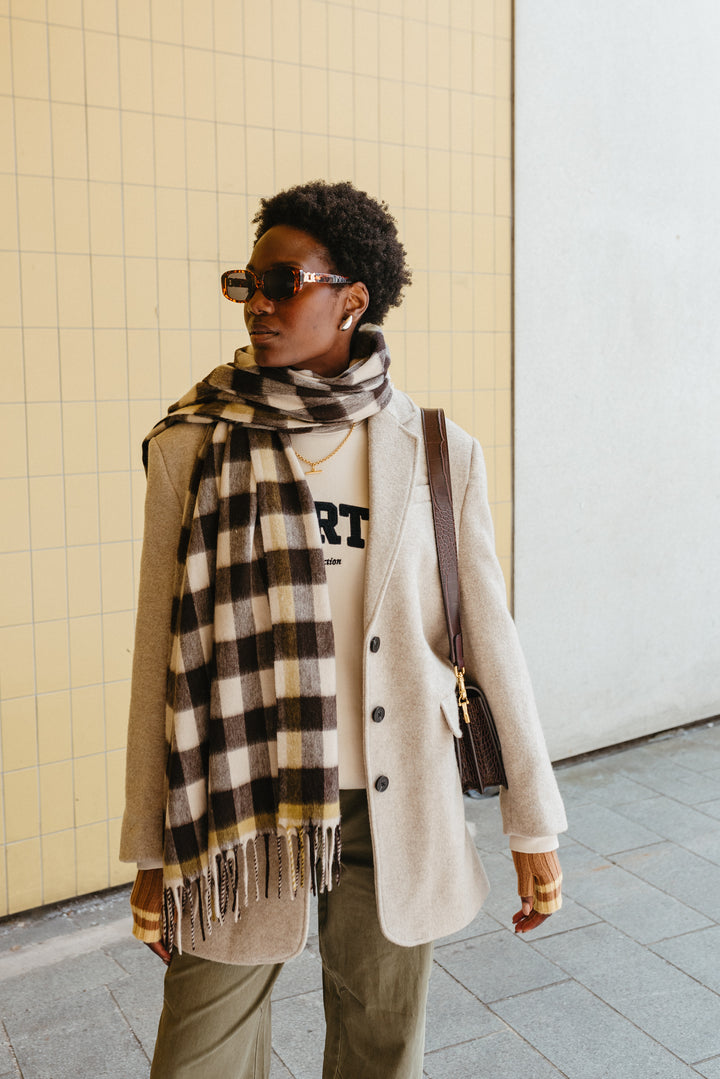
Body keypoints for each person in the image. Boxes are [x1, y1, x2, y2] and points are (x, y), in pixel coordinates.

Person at [120, 180, 567, 1079]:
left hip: (394, 802)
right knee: (197, 1054)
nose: (259, 305)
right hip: (241, 807)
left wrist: (534, 825)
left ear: (351, 299)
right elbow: (155, 664)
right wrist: (146, 848)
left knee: (380, 1048)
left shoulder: (440, 453)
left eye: (283, 282)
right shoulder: (195, 447)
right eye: (247, 283)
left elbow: (489, 642)